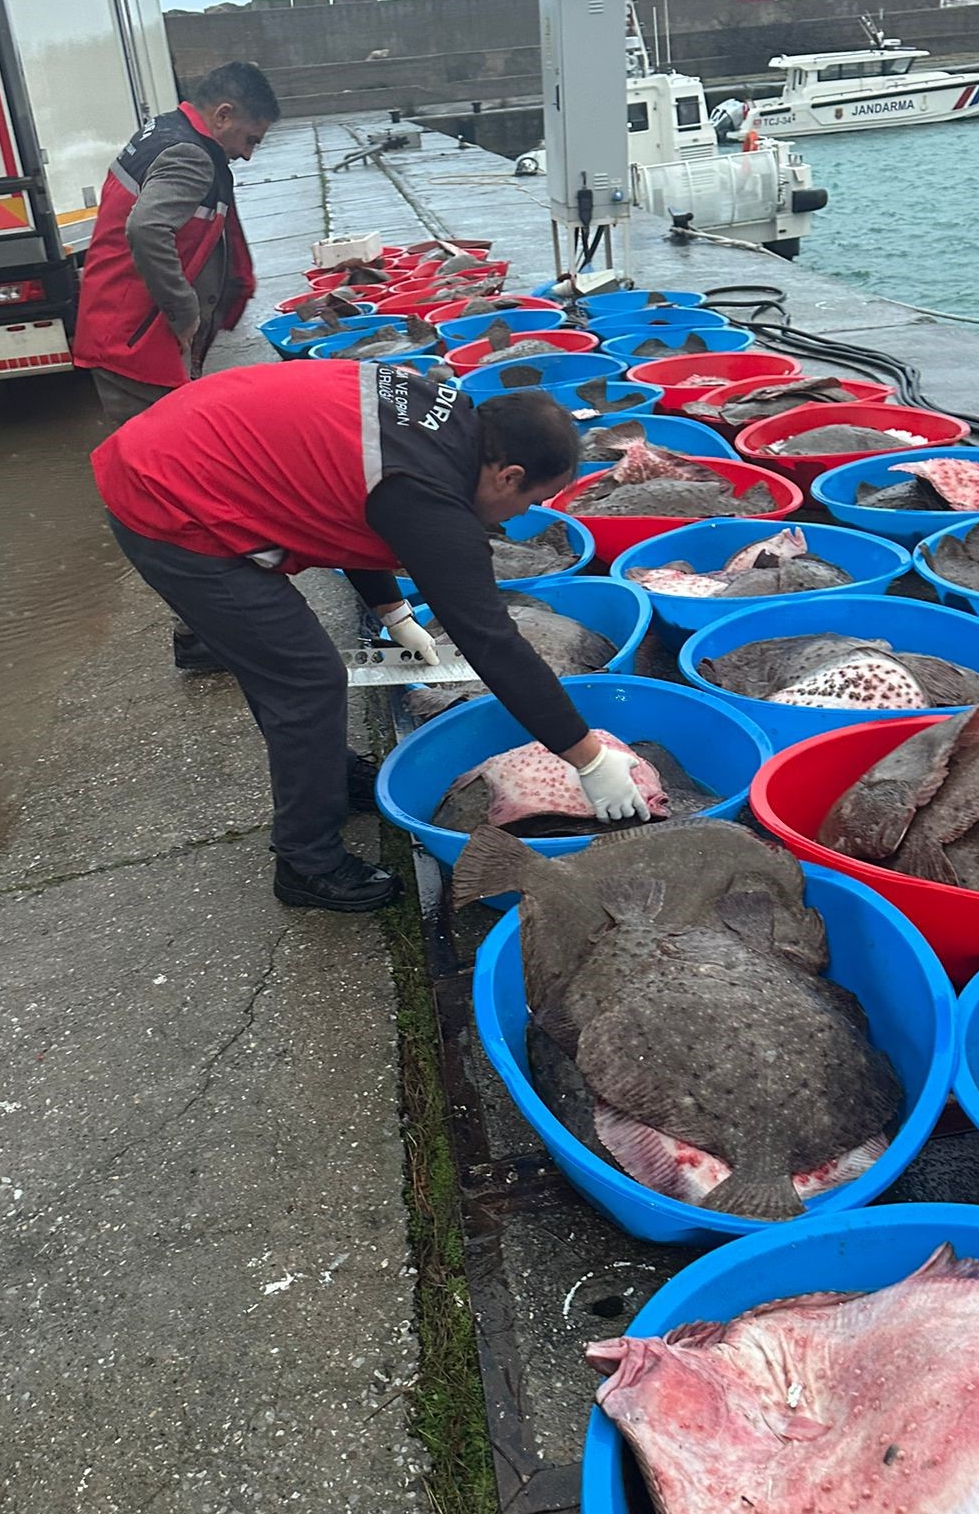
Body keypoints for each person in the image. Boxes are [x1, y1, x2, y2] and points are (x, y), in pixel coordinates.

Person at [91, 362, 652, 913]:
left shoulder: (443, 420)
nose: (521, 515)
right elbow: (491, 642)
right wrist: (587, 758)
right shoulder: (429, 495)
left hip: (185, 441)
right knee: (306, 681)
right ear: (507, 475)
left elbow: (354, 505)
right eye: (531, 500)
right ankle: (306, 863)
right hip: (166, 495)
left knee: (285, 665)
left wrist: (392, 611)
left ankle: (328, 774)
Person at [72, 61, 281, 428]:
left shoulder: (163, 130)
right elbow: (147, 228)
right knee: (159, 459)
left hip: (117, 327)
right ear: (223, 115)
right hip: (135, 340)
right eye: (250, 139)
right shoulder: (190, 156)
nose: (248, 154)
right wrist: (184, 311)